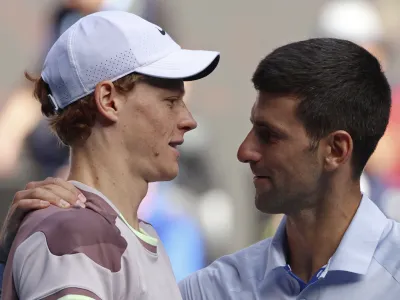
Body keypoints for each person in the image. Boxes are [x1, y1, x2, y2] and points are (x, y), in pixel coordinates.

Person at [2, 38, 400, 299]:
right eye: (169, 101)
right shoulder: (217, 288)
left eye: (269, 135)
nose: (245, 151)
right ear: (107, 101)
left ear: (336, 150)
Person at [0, 10, 219, 300]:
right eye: (170, 102)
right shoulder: (75, 233)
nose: (188, 120)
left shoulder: (121, 232)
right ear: (109, 100)